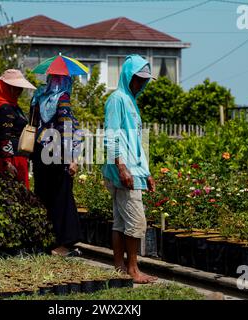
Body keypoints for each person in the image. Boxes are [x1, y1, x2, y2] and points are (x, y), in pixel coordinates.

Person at [102, 54, 158, 284]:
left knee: (121, 222)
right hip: (123, 171)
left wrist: (147, 172)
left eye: (144, 80)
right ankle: (133, 270)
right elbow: (111, 135)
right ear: (128, 76)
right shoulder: (117, 99)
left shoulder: (131, 102)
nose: (141, 83)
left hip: (134, 170)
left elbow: (136, 142)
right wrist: (122, 168)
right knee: (136, 222)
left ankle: (120, 268)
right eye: (138, 79)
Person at [30, 74, 83, 257]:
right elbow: (66, 128)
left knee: (43, 196)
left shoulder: (38, 96)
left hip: (39, 153)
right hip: (57, 154)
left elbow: (33, 124)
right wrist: (71, 158)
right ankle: (63, 244)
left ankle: (44, 240)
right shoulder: (62, 98)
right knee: (63, 197)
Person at [0, 69, 36, 189]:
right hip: (9, 159)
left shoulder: (14, 107)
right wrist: (7, 162)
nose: (19, 91)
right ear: (6, 87)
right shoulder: (4, 108)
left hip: (18, 156)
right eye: (15, 87)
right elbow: (4, 135)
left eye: (20, 88)